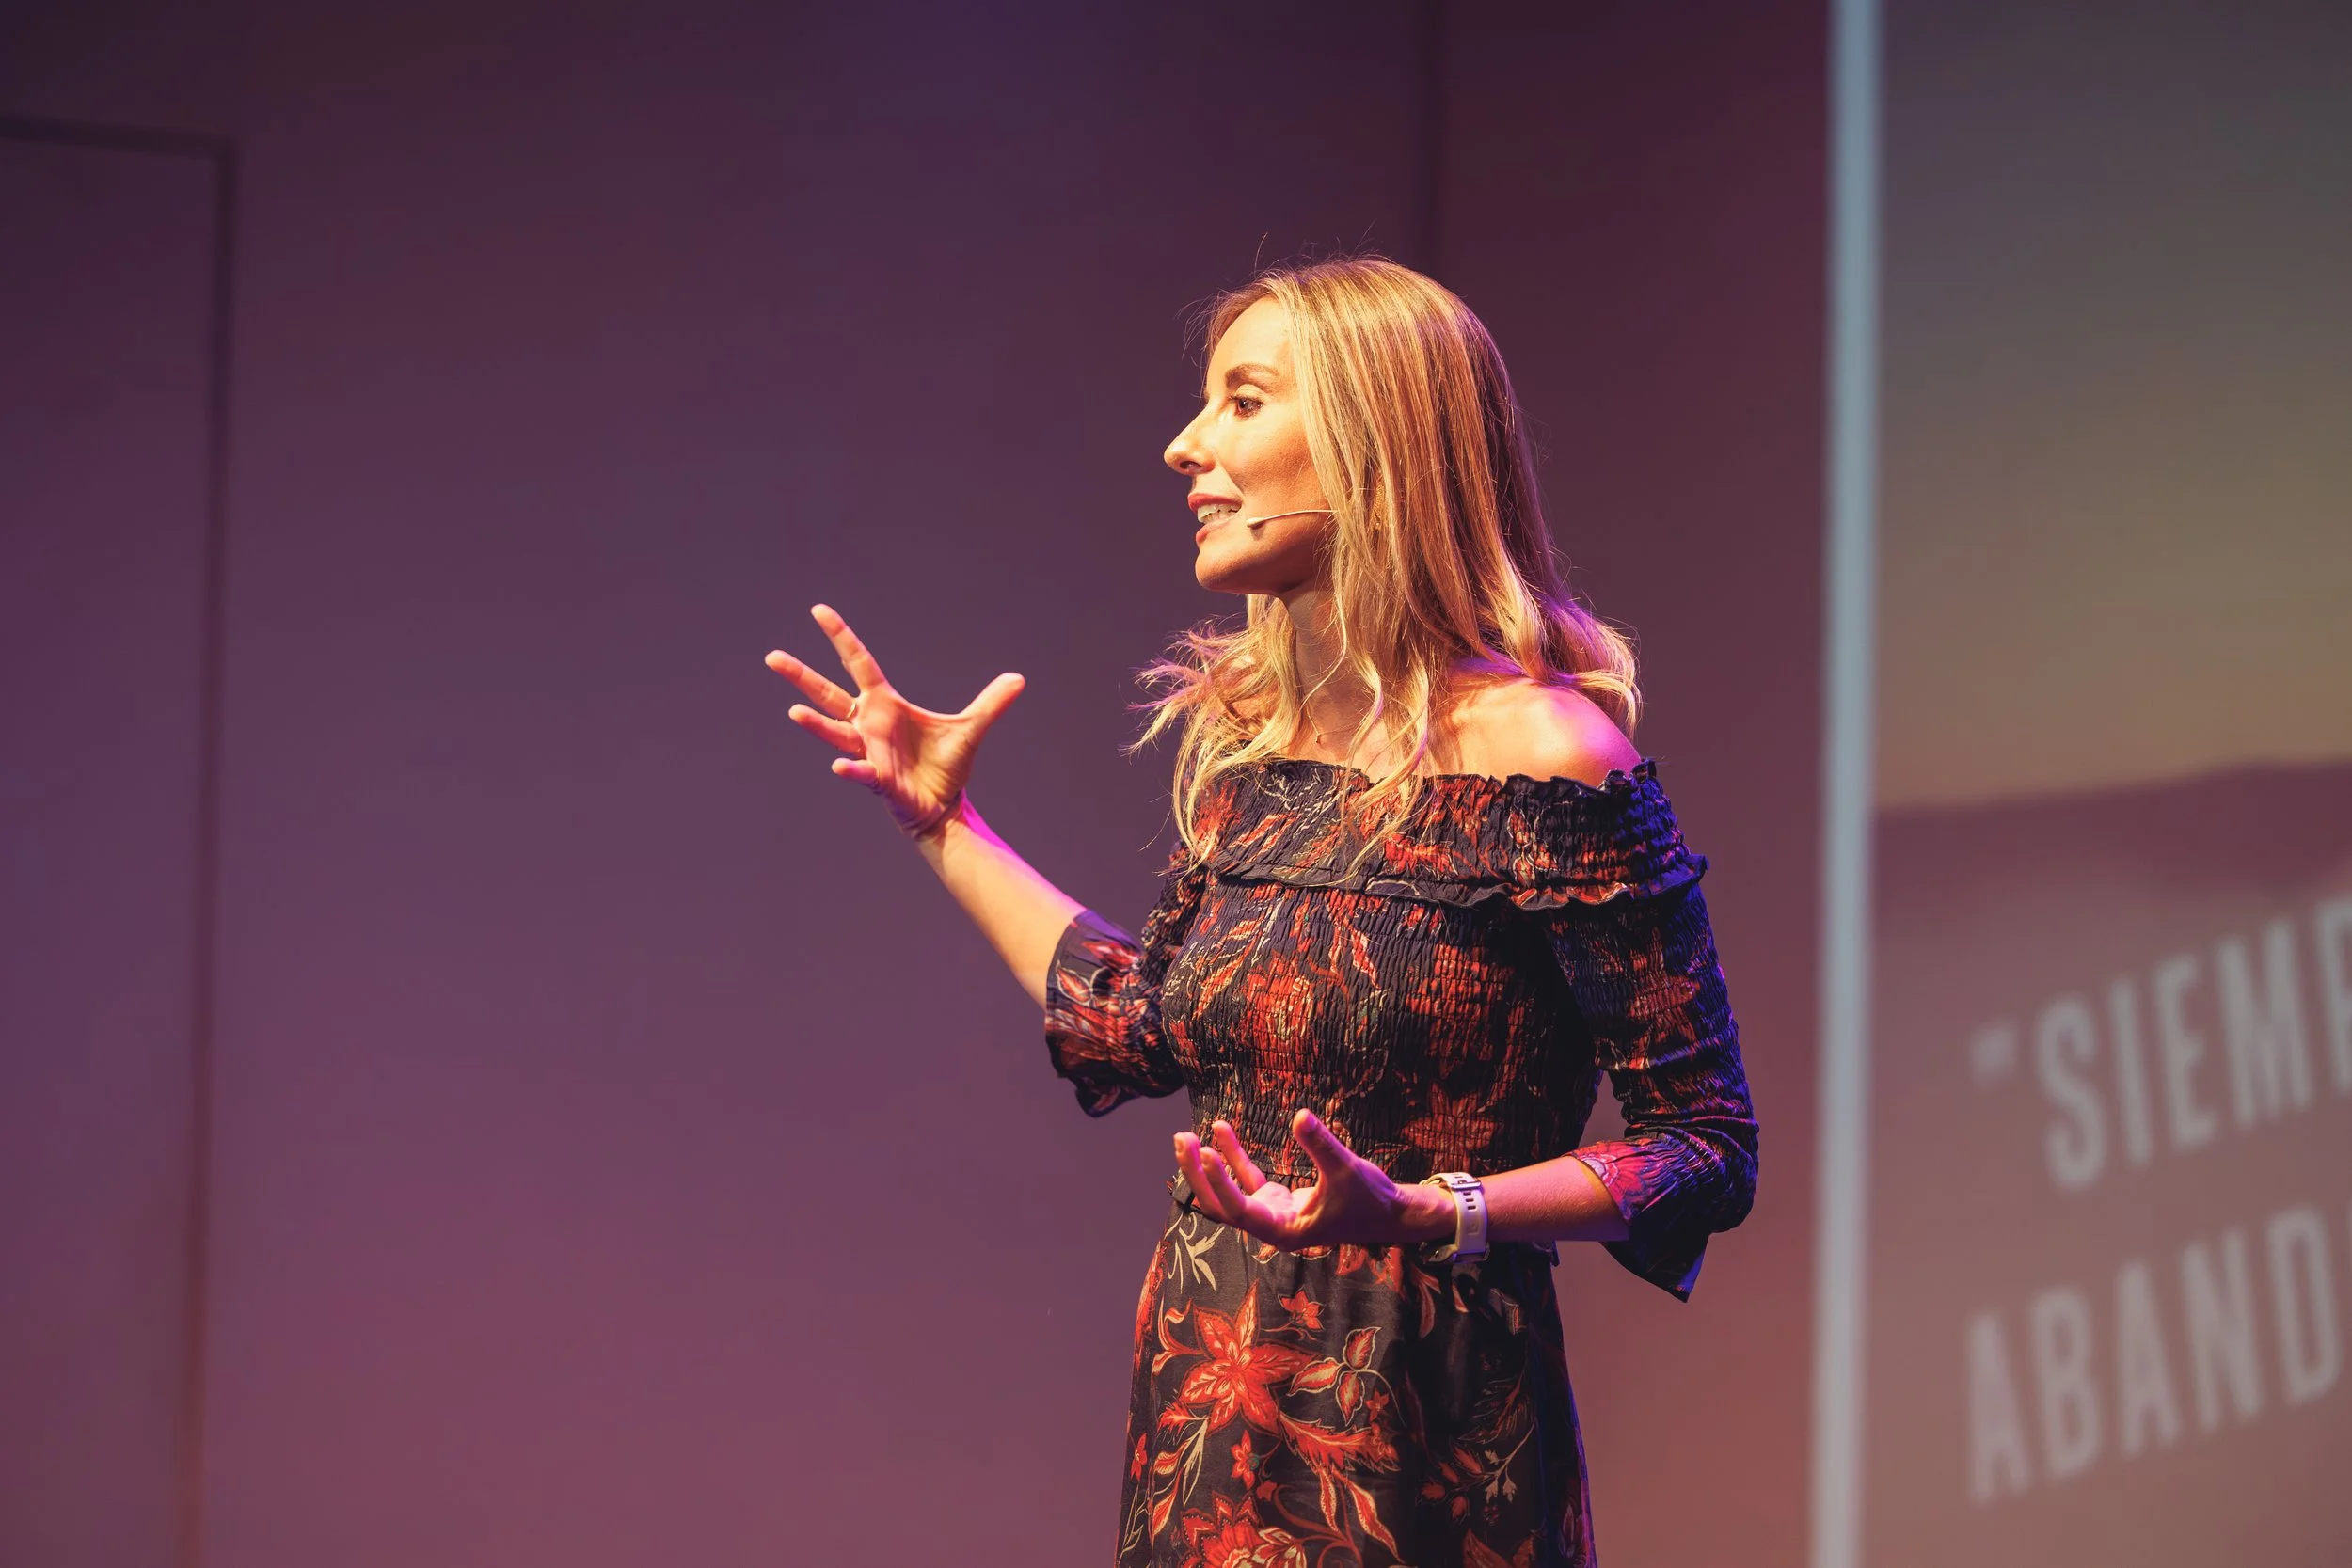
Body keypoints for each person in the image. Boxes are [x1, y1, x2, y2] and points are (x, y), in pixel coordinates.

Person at [765, 257, 1758, 1567]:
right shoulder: (1259, 760)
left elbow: (1702, 1146)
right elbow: (1137, 1025)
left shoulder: (1553, 758)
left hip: (1424, 1434)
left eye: (1242, 401)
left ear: (1371, 443)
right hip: (1212, 1415)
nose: (1188, 446)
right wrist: (946, 824)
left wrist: (1433, 1210)